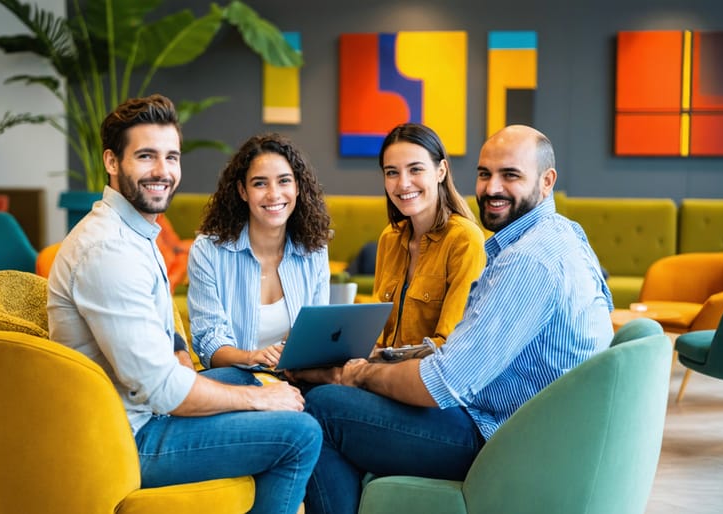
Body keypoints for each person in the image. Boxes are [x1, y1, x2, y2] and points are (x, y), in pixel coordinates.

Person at [301, 125, 614, 514]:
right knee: (337, 400)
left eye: (510, 175)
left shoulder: (528, 260)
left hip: (503, 436)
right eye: (484, 174)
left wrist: (360, 374)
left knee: (322, 409)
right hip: (520, 420)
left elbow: (442, 383)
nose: (492, 187)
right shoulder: (560, 234)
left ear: (547, 181)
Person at [47, 94, 321, 514]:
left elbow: (167, 331)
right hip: (130, 436)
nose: (162, 171)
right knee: (299, 434)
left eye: (171, 157)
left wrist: (181, 354)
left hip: (143, 412)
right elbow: (160, 388)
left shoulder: (136, 232)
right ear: (112, 161)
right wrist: (259, 401)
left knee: (249, 382)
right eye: (145, 156)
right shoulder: (108, 251)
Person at [188, 133, 331, 371]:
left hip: (296, 378)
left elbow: (317, 333)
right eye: (260, 183)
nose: (274, 194)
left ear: (298, 187)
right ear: (243, 191)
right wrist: (253, 358)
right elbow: (209, 342)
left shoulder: (314, 249)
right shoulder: (208, 251)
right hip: (236, 377)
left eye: (284, 181)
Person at [372, 123, 485, 349]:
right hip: (379, 373)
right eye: (392, 172)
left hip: (422, 378)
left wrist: (376, 363)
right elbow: (376, 333)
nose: (403, 183)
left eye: (415, 169)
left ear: (440, 171)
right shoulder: (390, 237)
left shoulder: (464, 239)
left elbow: (448, 344)